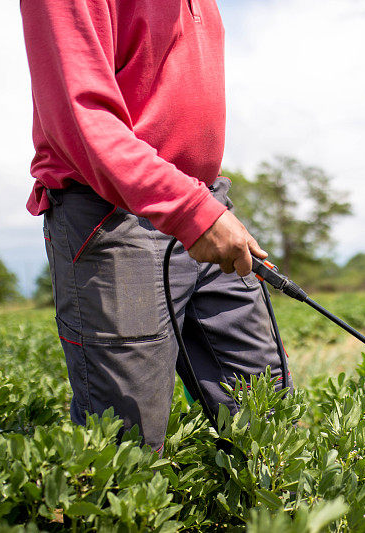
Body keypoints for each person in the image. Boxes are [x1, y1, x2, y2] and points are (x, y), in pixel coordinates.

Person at [20, 0, 289, 453]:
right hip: (112, 216)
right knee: (128, 447)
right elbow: (81, 119)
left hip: (204, 201)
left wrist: (201, 207)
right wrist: (190, 211)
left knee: (266, 416)